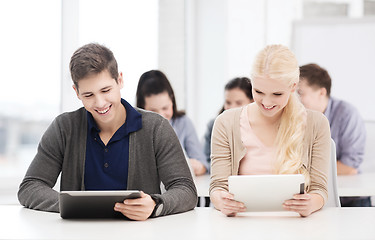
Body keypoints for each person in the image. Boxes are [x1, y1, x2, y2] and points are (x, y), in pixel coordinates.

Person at [18, 43, 197, 220]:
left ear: (120, 80)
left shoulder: (156, 128)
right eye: (89, 95)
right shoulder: (64, 128)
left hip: (139, 234)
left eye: (106, 90)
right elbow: (30, 187)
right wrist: (73, 206)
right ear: (76, 92)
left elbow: (186, 190)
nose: (100, 103)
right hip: (77, 234)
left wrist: (155, 205)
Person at [210, 44, 331, 217]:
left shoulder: (317, 124)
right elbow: (217, 187)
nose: (266, 103)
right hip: (242, 224)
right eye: (258, 91)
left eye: (277, 94)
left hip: (296, 225)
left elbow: (320, 190)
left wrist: (312, 203)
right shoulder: (226, 123)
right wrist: (221, 201)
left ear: (293, 86)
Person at [298, 63, 369, 207]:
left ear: (322, 93)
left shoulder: (347, 114)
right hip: (313, 197)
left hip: (351, 201)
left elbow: (349, 167)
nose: (296, 99)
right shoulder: (297, 116)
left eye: (300, 93)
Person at [136, 70, 208, 176]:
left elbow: (203, 166)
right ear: (142, 107)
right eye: (153, 111)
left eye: (165, 108)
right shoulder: (134, 128)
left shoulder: (184, 123)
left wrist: (196, 166)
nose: (161, 116)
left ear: (172, 101)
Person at [203, 77, 254, 171]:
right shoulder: (214, 125)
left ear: (252, 102)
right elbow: (206, 160)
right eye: (228, 102)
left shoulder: (259, 125)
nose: (231, 108)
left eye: (238, 103)